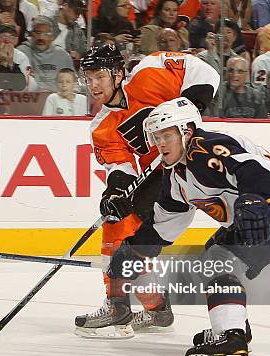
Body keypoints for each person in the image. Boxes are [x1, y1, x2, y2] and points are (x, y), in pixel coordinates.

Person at [103, 96, 270, 356]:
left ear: (187, 131)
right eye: (156, 136)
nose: (160, 143)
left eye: (166, 135)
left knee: (218, 259)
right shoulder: (177, 179)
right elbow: (162, 225)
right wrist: (130, 252)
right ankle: (235, 329)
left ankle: (230, 339)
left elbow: (253, 169)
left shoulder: (203, 148)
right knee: (215, 256)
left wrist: (254, 200)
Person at [74, 44, 220, 339]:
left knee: (129, 240)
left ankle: (128, 306)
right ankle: (151, 308)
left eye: (99, 76)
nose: (94, 85)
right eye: (88, 79)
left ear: (118, 73)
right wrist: (113, 193)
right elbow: (121, 166)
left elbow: (205, 71)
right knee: (122, 231)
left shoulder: (149, 74)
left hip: (191, 165)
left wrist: (193, 103)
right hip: (157, 182)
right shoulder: (102, 125)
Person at [16, 15, 74, 92]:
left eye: (46, 34)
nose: (41, 38)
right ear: (31, 34)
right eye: (37, 32)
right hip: (30, 99)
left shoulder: (62, 55)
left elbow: (74, 83)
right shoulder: (21, 52)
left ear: (52, 37)